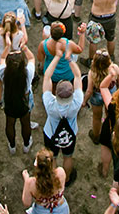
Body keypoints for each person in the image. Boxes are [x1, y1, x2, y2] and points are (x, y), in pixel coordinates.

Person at [42, 46, 84, 186]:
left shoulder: (50, 104)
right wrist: (70, 60)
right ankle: (65, 180)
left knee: (52, 157)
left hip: (51, 134)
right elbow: (78, 76)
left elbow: (47, 77)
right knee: (68, 156)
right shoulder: (77, 102)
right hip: (69, 134)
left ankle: (54, 180)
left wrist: (56, 57)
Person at [21, 149, 69, 214]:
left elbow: (26, 203)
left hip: (41, 211)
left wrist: (26, 180)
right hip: (61, 208)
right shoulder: (61, 172)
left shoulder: (31, 183)